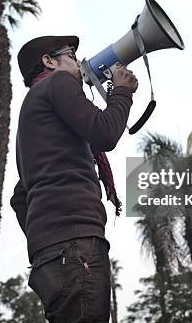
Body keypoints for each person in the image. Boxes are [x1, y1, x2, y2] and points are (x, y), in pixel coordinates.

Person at [10, 35, 137, 322]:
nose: (79, 62)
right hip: (76, 246)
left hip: (52, 256)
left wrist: (45, 239)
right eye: (71, 54)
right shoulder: (58, 82)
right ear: (49, 61)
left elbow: (20, 197)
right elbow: (104, 133)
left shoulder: (31, 112)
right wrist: (122, 91)